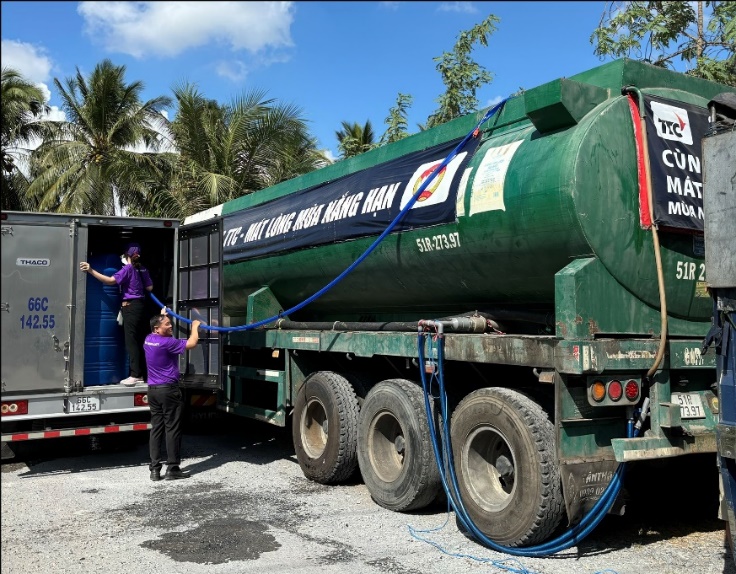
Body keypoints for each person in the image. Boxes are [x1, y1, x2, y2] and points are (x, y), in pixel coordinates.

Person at [80, 242, 152, 386]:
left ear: (127, 255)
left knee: (131, 342)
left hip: (130, 307)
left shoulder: (127, 269)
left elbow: (110, 281)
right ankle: (144, 374)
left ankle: (135, 375)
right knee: (140, 340)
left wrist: (90, 270)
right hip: (141, 306)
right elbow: (150, 288)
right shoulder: (142, 269)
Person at [144, 308, 202, 481]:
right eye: (167, 324)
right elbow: (192, 343)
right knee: (172, 429)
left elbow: (158, 325)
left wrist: (164, 315)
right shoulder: (167, 343)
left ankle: (154, 470)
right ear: (157, 328)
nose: (171, 326)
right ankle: (173, 468)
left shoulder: (149, 339)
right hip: (168, 390)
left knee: (156, 429)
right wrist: (195, 326)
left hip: (153, 391)